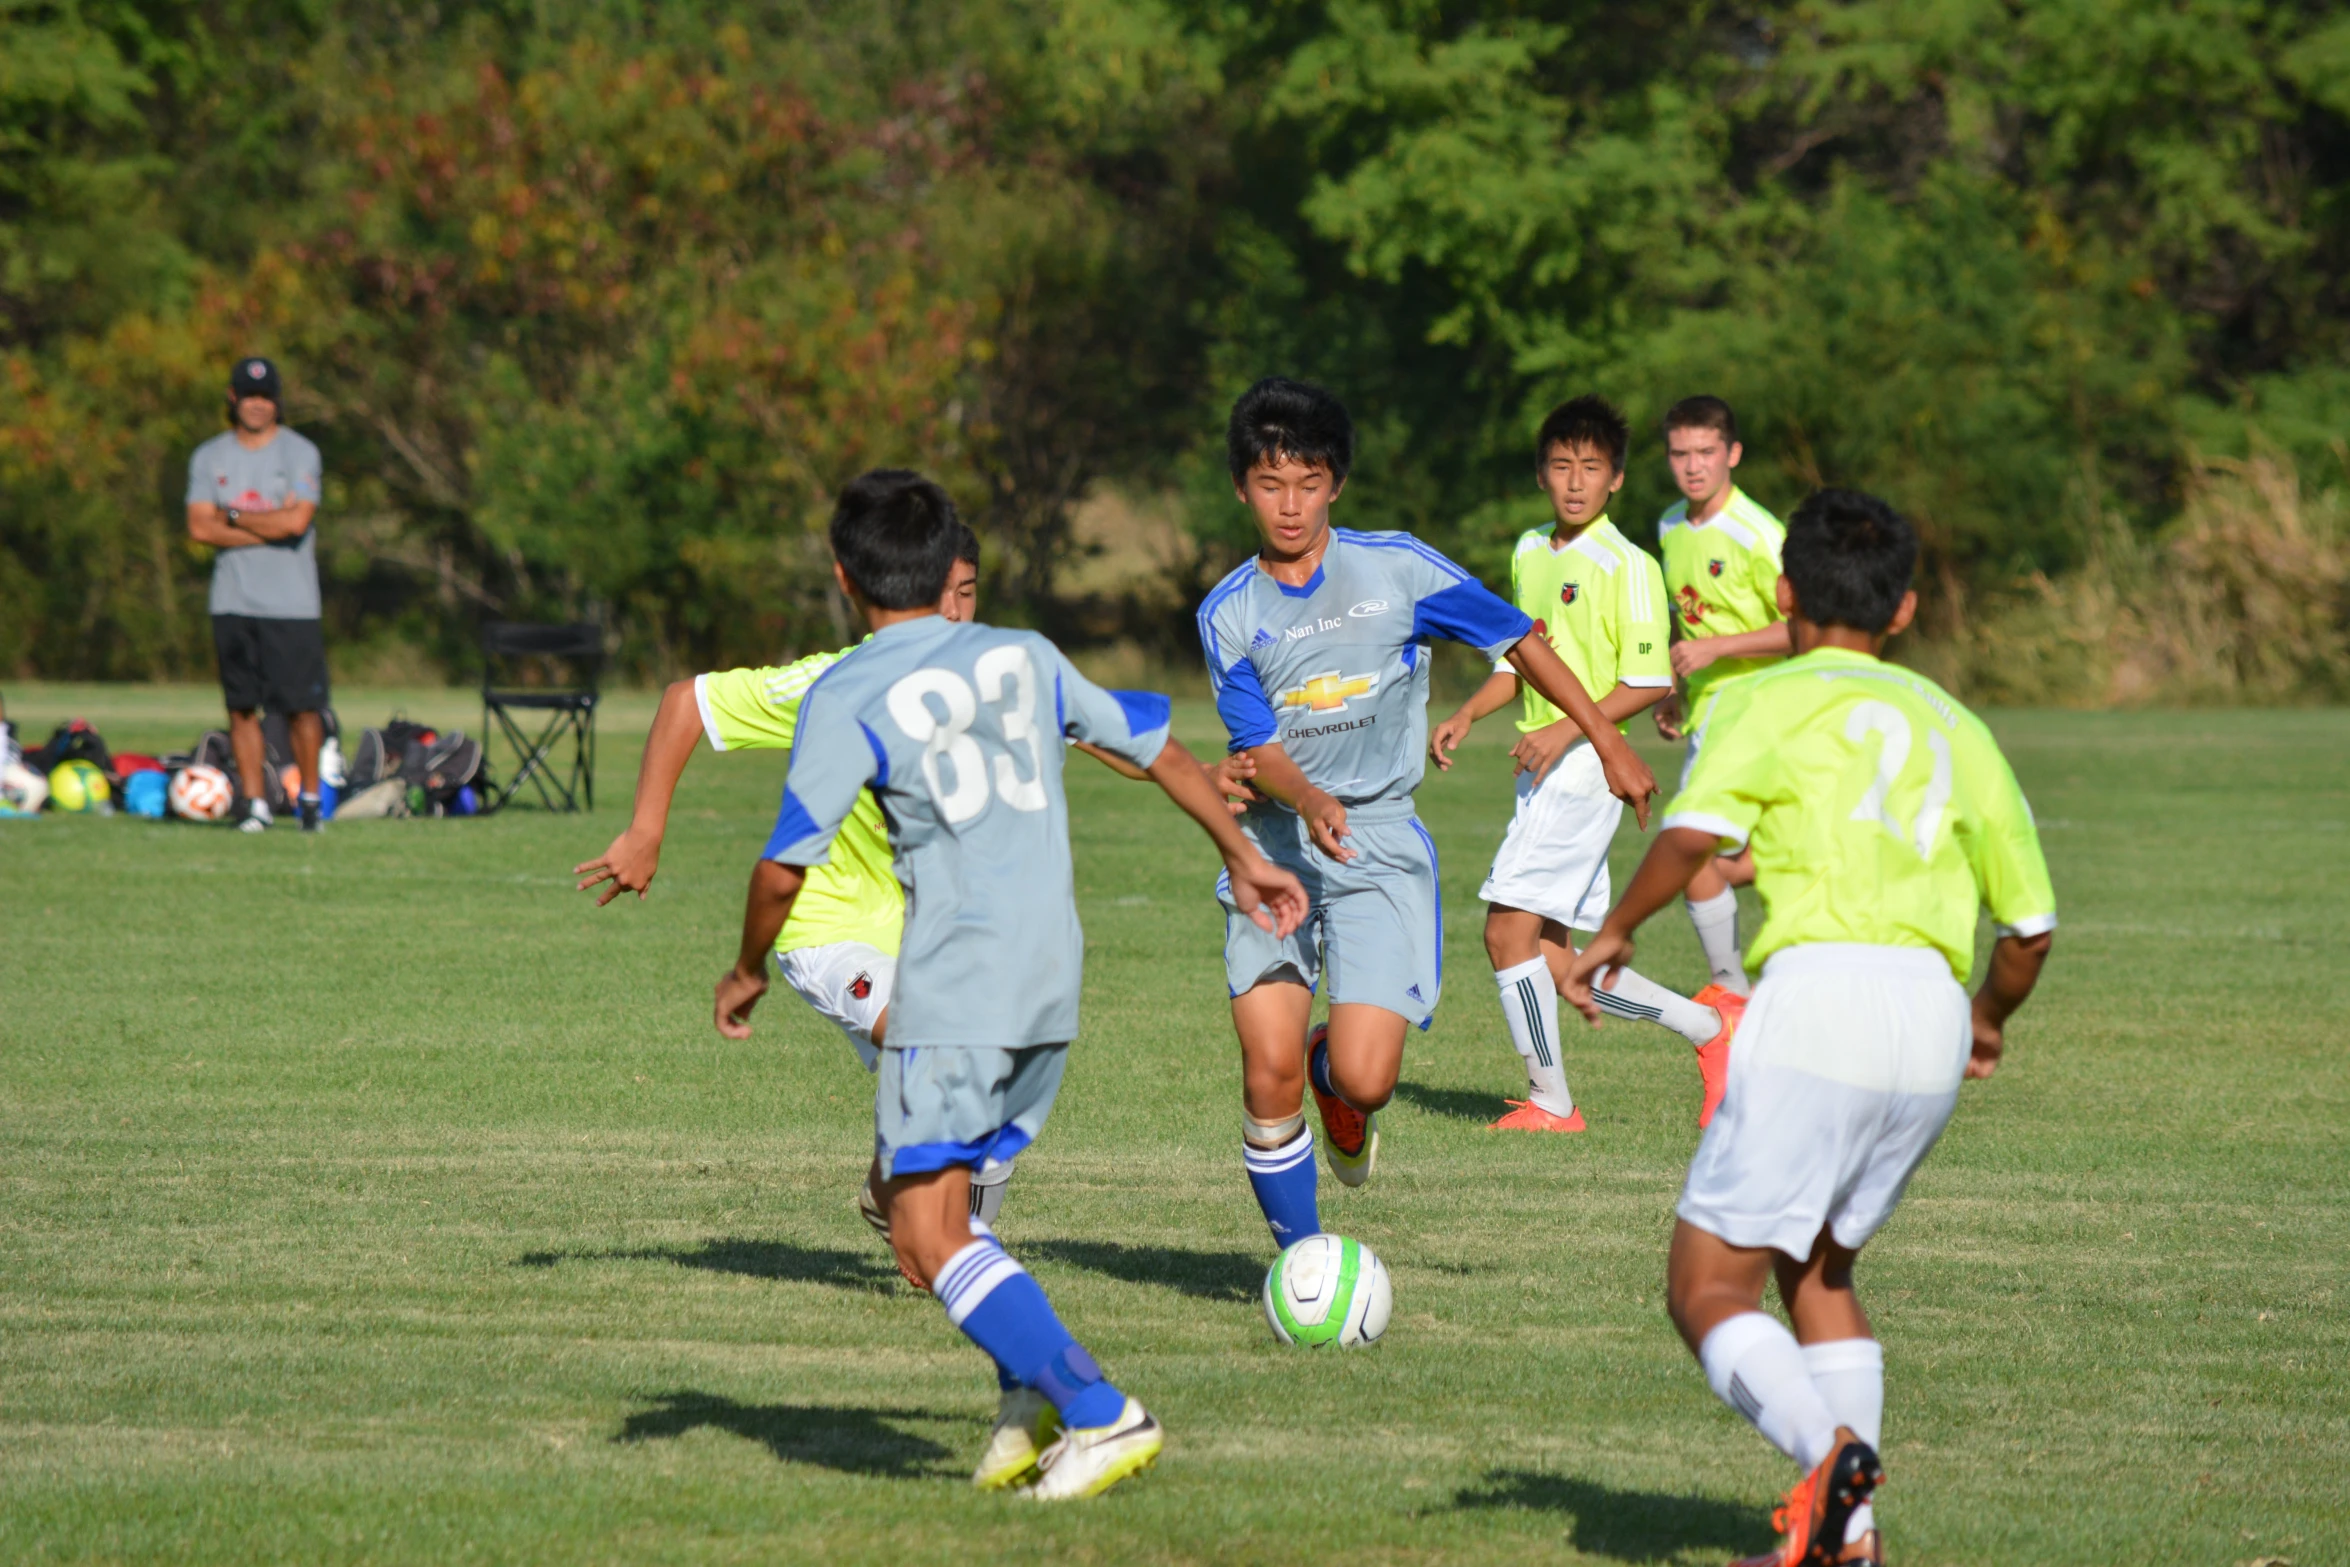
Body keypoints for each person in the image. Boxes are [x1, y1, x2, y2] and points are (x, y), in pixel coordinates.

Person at [714, 469, 1307, 1499]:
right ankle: (1029, 1400)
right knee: (949, 1210)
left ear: (848, 578)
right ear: (951, 568)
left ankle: (1099, 1411)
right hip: (1052, 978)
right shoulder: (1024, 656)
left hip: (955, 980)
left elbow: (780, 867)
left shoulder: (847, 689)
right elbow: (1157, 746)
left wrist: (745, 968)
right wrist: (1245, 853)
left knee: (922, 1228)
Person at [1564, 489, 2055, 1567]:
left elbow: (1690, 834)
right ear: (1907, 609)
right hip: (1926, 1013)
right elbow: (2028, 926)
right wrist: (1985, 1017)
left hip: (1817, 1002)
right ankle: (1853, 1542)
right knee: (1821, 1271)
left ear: (1784, 596)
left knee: (1704, 1286)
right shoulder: (1956, 724)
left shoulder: (1766, 704)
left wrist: (1613, 929)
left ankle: (1829, 1457)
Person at [576, 526, 1251, 1256]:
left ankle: (895, 1192)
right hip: (829, 930)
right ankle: (948, 1235)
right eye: (941, 596)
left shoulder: (992, 679)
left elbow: (1095, 731)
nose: (955, 614)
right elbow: (687, 703)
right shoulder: (838, 682)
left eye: (967, 594)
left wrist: (1200, 776)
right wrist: (646, 830)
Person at [1196, 376, 1657, 1248]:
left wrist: (1608, 739)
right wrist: (1305, 796)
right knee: (1266, 1073)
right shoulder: (1229, 612)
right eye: (1269, 484)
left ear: (1336, 483)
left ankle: (1337, 1082)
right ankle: (1308, 1263)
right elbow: (1257, 747)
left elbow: (1519, 636)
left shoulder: (1399, 567)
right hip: (1275, 846)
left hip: (1375, 837)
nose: (1289, 505)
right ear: (1241, 488)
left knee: (1366, 1080)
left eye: (1307, 482)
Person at [1429, 396, 1742, 1132]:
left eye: (1591, 467)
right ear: (1541, 473)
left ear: (1617, 480)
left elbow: (1648, 680)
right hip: (1544, 762)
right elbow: (1522, 659)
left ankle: (1552, 1101)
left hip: (1587, 765)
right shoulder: (1529, 549)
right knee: (1555, 956)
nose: (1575, 481)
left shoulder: (1628, 565)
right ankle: (1711, 1030)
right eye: (1562, 466)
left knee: (1506, 932)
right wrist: (1470, 712)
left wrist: (1568, 731)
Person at [1653, 396, 1789, 992]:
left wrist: (1718, 649)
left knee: (1687, 850)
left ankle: (1731, 991)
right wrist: (1673, 686)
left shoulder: (1760, 533)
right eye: (1681, 454)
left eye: (1706, 452)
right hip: (1710, 710)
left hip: (1761, 709)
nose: (1694, 466)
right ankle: (1737, 987)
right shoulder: (1669, 525)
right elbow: (1690, 620)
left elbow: (1805, 627)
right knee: (1701, 855)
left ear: (1732, 454)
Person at [184, 356, 328, 833]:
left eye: (266, 397)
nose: (257, 405)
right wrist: (270, 526)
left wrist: (234, 517)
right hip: (232, 600)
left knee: (302, 708)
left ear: (277, 402)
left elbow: (297, 522)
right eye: (249, 396)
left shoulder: (300, 453)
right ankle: (255, 804)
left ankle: (309, 800)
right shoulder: (209, 457)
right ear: (233, 398)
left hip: (292, 603)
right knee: (242, 707)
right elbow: (198, 527)